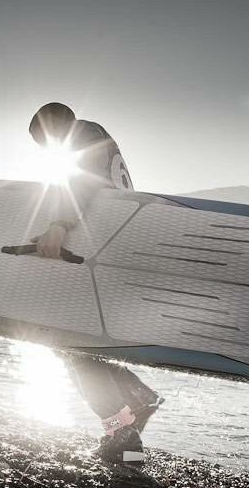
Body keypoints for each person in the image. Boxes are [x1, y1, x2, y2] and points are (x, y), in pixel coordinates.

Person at [29, 102, 164, 466]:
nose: (46, 152)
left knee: (69, 343)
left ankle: (123, 431)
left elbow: (82, 182)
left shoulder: (84, 137)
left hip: (100, 255)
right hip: (112, 252)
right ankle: (136, 405)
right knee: (85, 346)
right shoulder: (102, 140)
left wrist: (59, 223)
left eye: (44, 142)